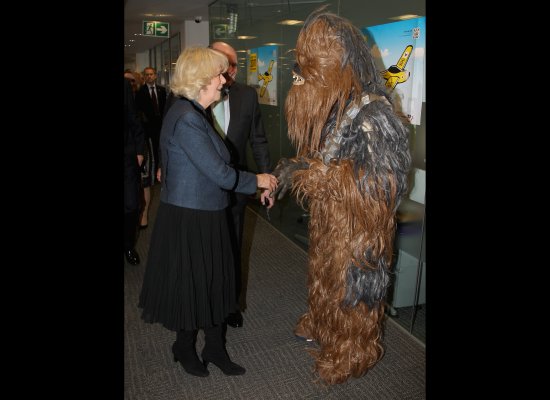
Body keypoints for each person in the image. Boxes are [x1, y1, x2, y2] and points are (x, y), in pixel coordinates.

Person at [273, 9, 411, 385]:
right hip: (329, 222)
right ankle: (321, 323)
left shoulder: (376, 115)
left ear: (343, 64)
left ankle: (352, 352)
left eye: (312, 67)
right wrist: (296, 167)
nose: (300, 75)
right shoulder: (338, 110)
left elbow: (387, 182)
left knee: (354, 292)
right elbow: (326, 155)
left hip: (359, 233)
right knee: (323, 277)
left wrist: (325, 179)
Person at [138, 46, 278, 378]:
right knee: (193, 284)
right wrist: (260, 179)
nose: (224, 80)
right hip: (190, 217)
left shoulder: (193, 111)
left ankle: (214, 348)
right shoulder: (187, 117)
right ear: (201, 79)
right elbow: (221, 174)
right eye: (218, 74)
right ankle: (184, 347)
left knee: (216, 281)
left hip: (208, 211)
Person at [209, 41, 273, 328]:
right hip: (202, 187)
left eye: (234, 64)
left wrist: (266, 178)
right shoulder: (195, 93)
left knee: (234, 245)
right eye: (226, 63)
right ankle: (205, 300)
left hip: (237, 185)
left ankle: (231, 305)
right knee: (206, 247)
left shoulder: (247, 95)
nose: (231, 70)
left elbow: (258, 139)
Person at [135, 67, 167, 228]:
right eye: (146, 75)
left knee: (161, 151)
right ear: (144, 77)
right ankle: (153, 174)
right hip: (147, 129)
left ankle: (160, 171)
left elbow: (164, 109)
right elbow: (139, 112)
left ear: (155, 76)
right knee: (151, 154)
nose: (149, 77)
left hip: (161, 128)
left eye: (151, 74)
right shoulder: (140, 92)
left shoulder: (162, 90)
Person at [123, 77, 145, 265]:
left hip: (127, 155)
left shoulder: (124, 85)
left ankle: (128, 245)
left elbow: (133, 116)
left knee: (131, 204)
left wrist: (139, 150)